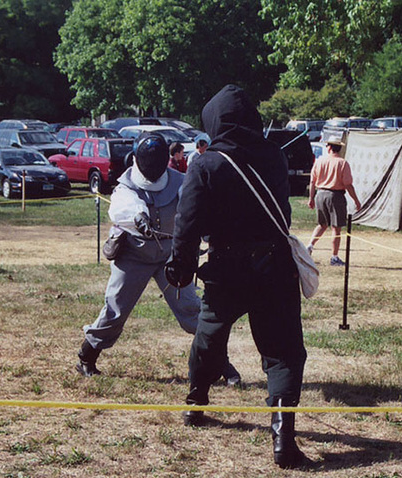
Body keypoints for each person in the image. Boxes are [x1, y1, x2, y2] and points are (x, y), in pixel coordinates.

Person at [165, 84, 308, 469]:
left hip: (227, 268)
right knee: (283, 353)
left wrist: (180, 265)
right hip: (273, 266)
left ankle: (195, 400)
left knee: (209, 336)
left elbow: (188, 222)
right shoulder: (275, 158)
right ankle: (283, 438)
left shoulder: (205, 164)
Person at [76, 133, 240, 385]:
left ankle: (221, 364)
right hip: (134, 254)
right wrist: (138, 217)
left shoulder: (181, 181)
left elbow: (196, 207)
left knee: (191, 310)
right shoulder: (127, 184)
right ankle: (86, 356)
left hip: (170, 256)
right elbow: (123, 205)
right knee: (115, 309)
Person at [306, 138, 361, 266]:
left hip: (320, 194)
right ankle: (334, 257)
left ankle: (310, 246)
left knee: (322, 224)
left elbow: (312, 181)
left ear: (329, 147)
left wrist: (311, 198)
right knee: (336, 228)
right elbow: (348, 184)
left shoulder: (320, 161)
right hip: (335, 195)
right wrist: (356, 200)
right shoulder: (342, 163)